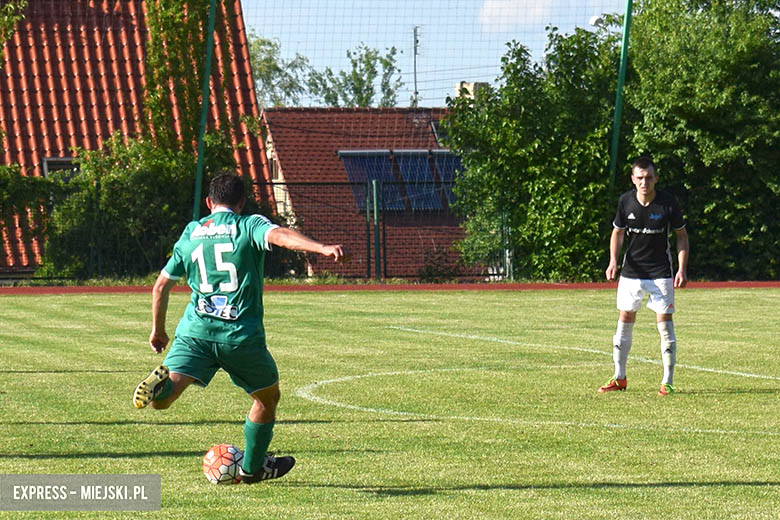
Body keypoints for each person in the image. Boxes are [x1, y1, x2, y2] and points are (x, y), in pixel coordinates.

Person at [132, 171, 344, 483]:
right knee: (267, 398)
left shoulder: (192, 232)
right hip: (238, 337)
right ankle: (253, 468)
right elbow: (281, 236)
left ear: (208, 202)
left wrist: (158, 330)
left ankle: (159, 385)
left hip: (195, 334)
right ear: (241, 202)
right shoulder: (248, 225)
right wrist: (321, 248)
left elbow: (160, 287)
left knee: (163, 402)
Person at [600, 156, 689, 396]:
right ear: (633, 179)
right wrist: (613, 262)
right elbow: (617, 233)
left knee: (665, 326)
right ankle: (619, 378)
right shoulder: (625, 202)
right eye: (639, 178)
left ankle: (667, 382)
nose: (644, 182)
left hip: (661, 273)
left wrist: (681, 269)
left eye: (649, 177)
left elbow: (681, 236)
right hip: (631, 273)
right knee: (624, 321)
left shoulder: (668, 203)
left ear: (656, 179)